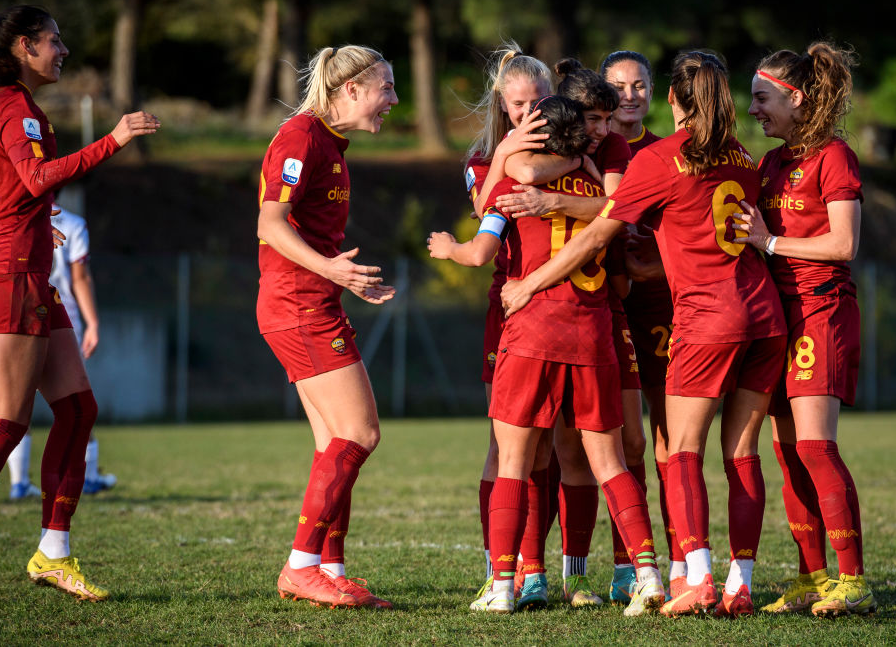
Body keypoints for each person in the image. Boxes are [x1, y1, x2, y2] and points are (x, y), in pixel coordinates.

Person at [500, 51, 788, 618]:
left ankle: (697, 578)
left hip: (708, 320)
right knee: (744, 455)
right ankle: (741, 584)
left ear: (672, 100)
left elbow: (592, 238)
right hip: (766, 317)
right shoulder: (744, 157)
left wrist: (528, 284)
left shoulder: (658, 158)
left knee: (679, 451)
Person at [0, 5, 159, 607]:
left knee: (78, 410)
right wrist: (114, 138)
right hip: (9, 272)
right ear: (22, 46)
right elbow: (38, 179)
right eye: (53, 41)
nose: (62, 51)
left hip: (22, 269)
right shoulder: (15, 108)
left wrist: (15, 217)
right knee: (6, 421)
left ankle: (53, 554)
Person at [430, 95, 666, 616]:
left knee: (514, 461)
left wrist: (447, 247)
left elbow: (479, 254)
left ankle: (506, 585)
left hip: (533, 331)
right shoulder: (601, 192)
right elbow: (622, 235)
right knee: (611, 462)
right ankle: (648, 575)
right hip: (593, 334)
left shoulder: (515, 185)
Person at [491, 58, 649, 610]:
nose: (605, 127)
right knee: (554, 455)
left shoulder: (602, 154)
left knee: (583, 453)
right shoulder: (529, 154)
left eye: (610, 117)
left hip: (558, 316)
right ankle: (537, 575)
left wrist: (538, 186)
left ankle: (538, 579)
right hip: (577, 323)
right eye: (595, 117)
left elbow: (616, 215)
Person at [736, 41, 874, 617]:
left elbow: (843, 245)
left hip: (822, 309)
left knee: (816, 446)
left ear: (796, 98)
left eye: (762, 98)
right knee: (788, 450)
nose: (754, 110)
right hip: (780, 317)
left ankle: (854, 580)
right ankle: (811, 577)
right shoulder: (771, 163)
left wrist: (768, 241)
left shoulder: (834, 156)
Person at [259, 45, 397, 610]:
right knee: (359, 434)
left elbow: (310, 235)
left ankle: (329, 568)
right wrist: (330, 268)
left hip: (314, 301)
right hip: (298, 306)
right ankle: (300, 566)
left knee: (332, 444)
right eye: (386, 87)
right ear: (353, 90)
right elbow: (270, 224)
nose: (392, 99)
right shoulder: (301, 137)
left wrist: (345, 278)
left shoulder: (331, 144)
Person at [461, 42, 552, 602]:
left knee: (548, 447)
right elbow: (482, 217)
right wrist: (504, 156)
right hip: (514, 306)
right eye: (517, 105)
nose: (528, 113)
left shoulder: (574, 149)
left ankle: (536, 569)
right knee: (507, 443)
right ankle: (500, 561)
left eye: (538, 101)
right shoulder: (481, 157)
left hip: (570, 308)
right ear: (502, 104)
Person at [599, 49, 685, 597]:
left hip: (660, 307)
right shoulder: (587, 149)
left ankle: (683, 561)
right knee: (612, 445)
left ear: (653, 92)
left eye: (639, 86)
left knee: (668, 441)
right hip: (600, 307)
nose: (630, 95)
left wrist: (653, 266)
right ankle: (625, 565)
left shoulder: (670, 152)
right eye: (619, 87)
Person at [6, 197, 117, 500]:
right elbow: (80, 278)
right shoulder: (72, 223)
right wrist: (93, 322)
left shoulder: (10, 214)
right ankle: (89, 476)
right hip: (60, 318)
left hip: (18, 313)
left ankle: (18, 482)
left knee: (16, 403)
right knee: (77, 403)